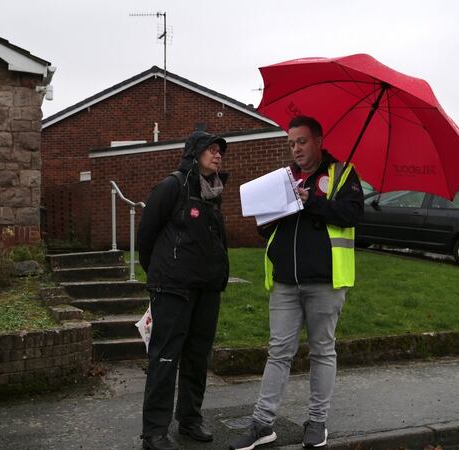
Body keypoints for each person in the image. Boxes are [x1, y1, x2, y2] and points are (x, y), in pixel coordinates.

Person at [229, 116, 363, 450]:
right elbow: (267, 226)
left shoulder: (343, 174)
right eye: (291, 143)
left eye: (301, 141)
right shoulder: (283, 178)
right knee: (278, 352)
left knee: (322, 351)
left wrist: (312, 200)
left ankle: (317, 422)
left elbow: (352, 214)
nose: (296, 149)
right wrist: (265, 218)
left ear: (318, 140)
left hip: (325, 280)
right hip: (285, 280)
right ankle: (262, 423)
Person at [138, 130, 230, 450]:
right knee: (165, 358)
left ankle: (190, 420)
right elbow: (146, 236)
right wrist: (161, 276)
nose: (218, 155)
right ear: (194, 152)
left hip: (206, 290)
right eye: (211, 149)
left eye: (221, 151)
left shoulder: (213, 192)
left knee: (196, 357)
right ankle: (154, 431)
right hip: (173, 289)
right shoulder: (171, 186)